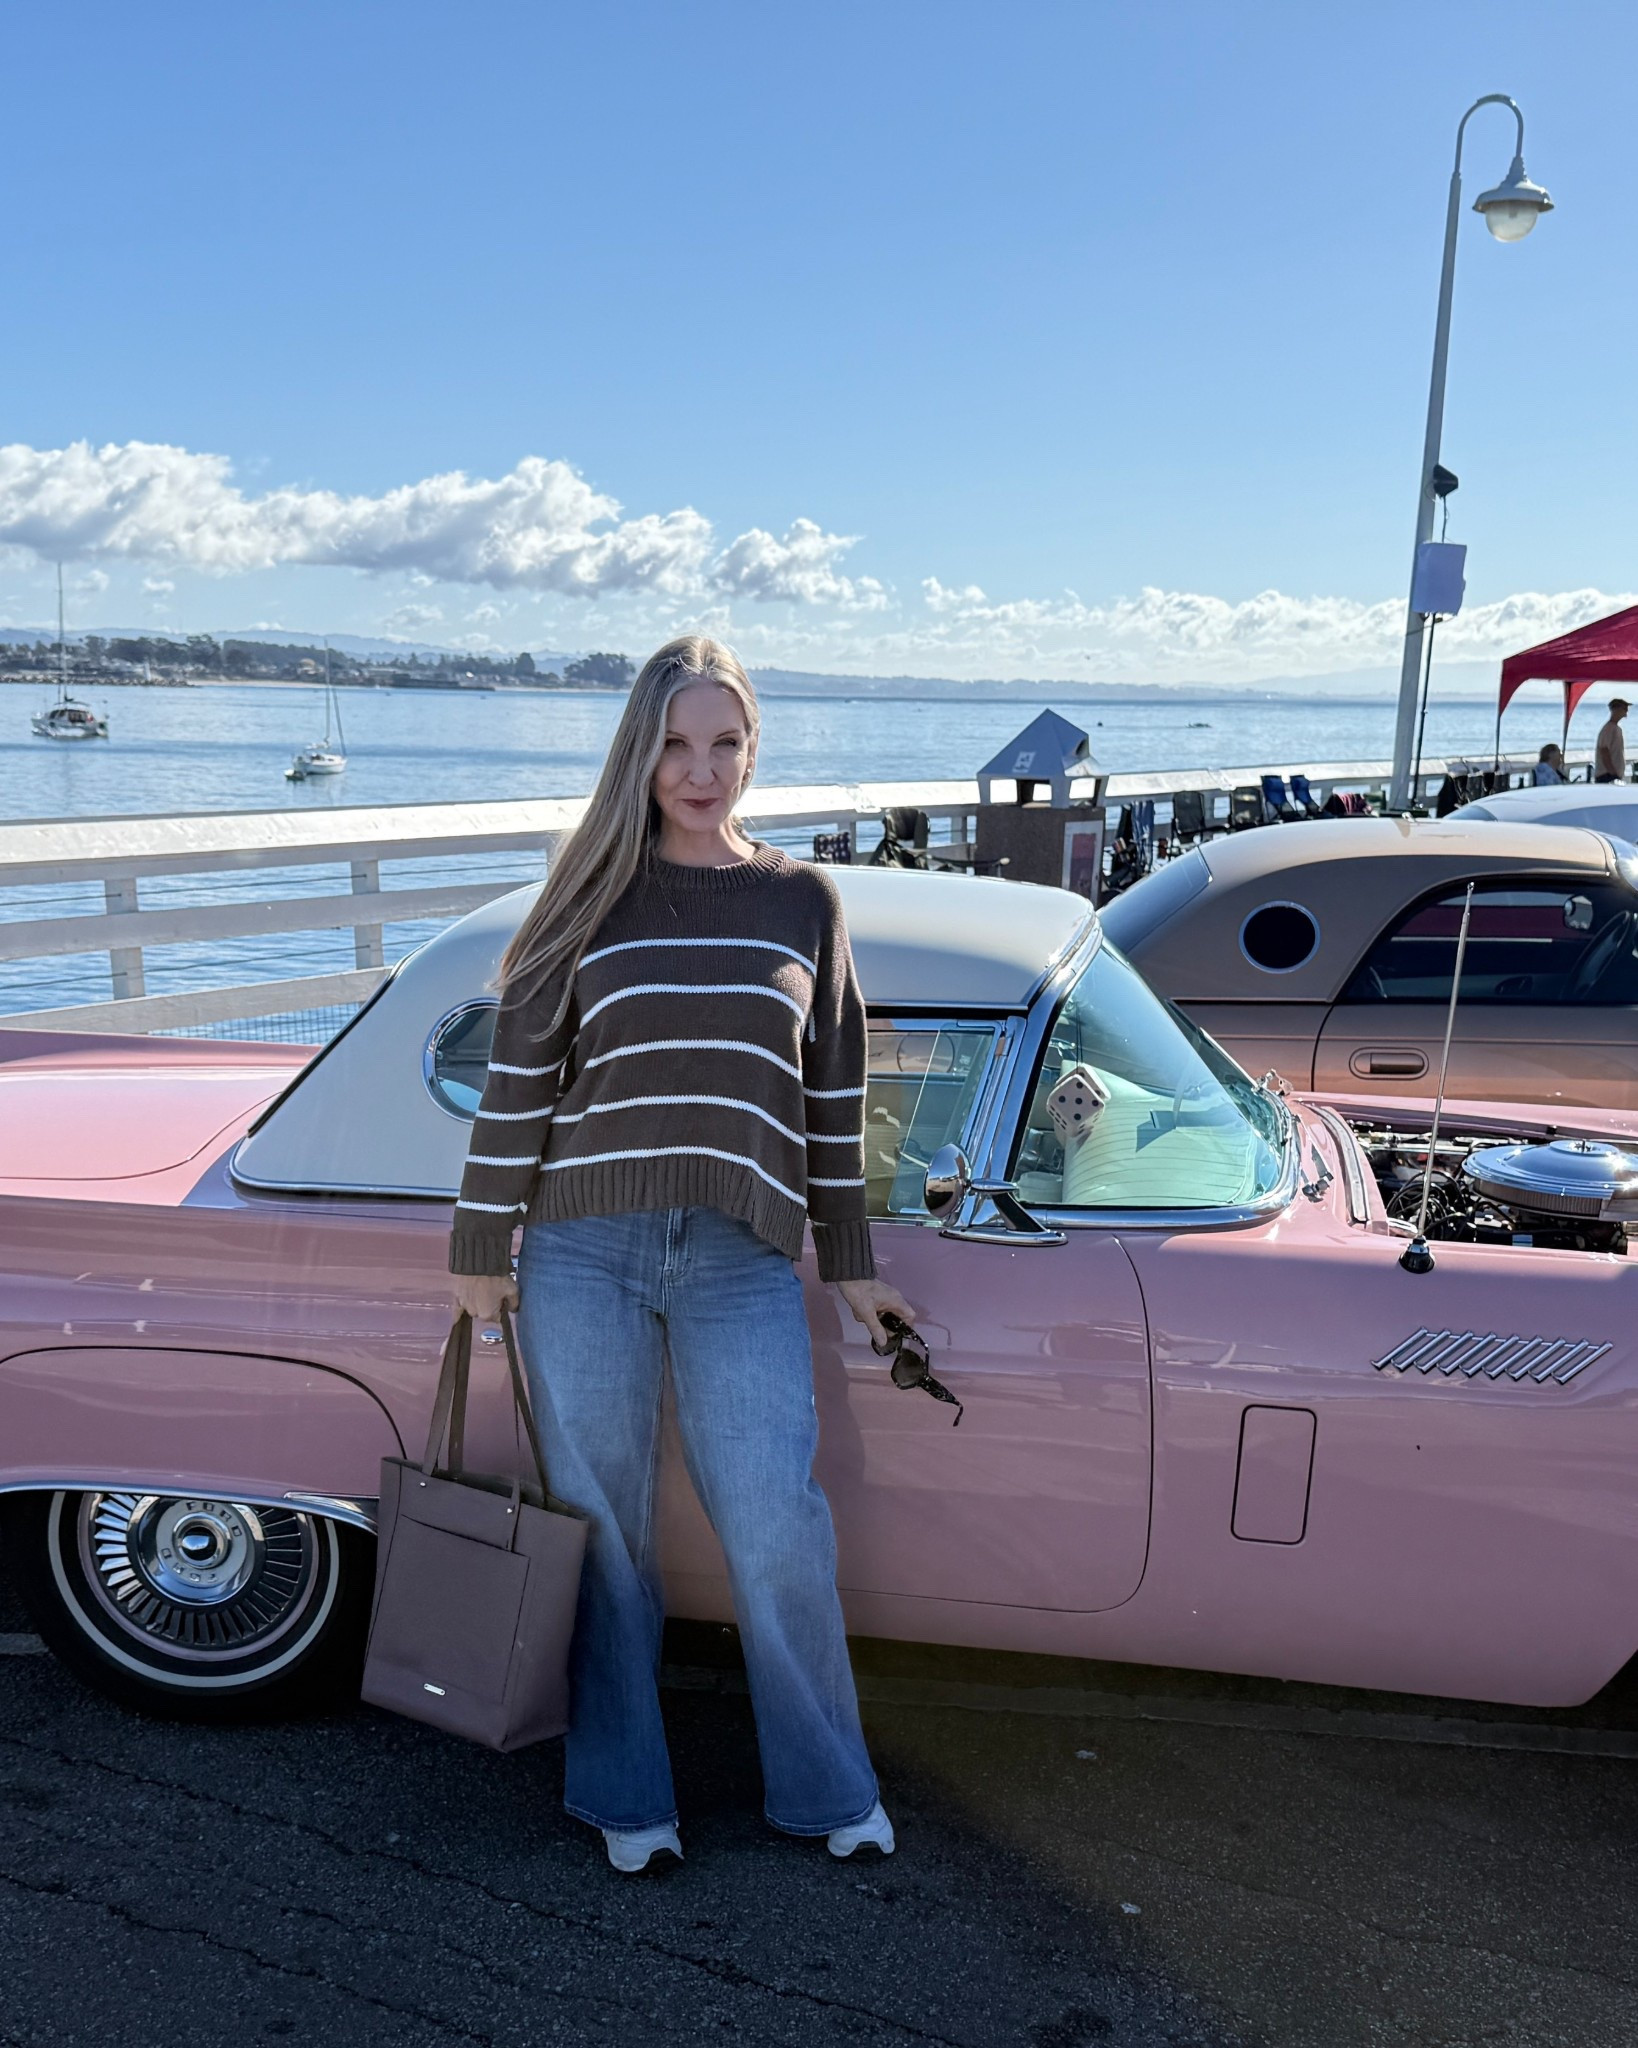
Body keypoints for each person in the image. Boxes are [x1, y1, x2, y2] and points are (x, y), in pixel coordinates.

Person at [450, 635, 914, 1874]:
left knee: (776, 1525)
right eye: (673, 743)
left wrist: (854, 1262)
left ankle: (826, 1788)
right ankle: (624, 1792)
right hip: (578, 1251)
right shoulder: (584, 894)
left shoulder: (802, 901)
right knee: (604, 1535)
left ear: (754, 747)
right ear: (638, 750)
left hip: (740, 1257)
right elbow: (519, 1084)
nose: (699, 770)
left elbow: (834, 1094)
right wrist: (478, 1244)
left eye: (724, 741)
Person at [1595, 699, 1628, 783]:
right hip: (1607, 775)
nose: (1626, 711)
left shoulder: (1617, 728)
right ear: (1616, 709)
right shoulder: (1608, 729)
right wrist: (1613, 774)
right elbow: (1604, 751)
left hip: (1613, 775)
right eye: (1624, 708)